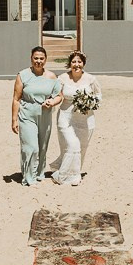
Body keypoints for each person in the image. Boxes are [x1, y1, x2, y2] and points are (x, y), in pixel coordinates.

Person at [11, 46, 61, 186]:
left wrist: (52, 102)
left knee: (42, 146)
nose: (38, 61)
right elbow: (16, 98)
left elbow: (59, 96)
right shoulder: (23, 75)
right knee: (31, 147)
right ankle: (29, 177)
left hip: (45, 115)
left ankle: (39, 173)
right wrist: (14, 119)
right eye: (35, 58)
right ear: (31, 58)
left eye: (41, 58)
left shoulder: (52, 76)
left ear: (45, 60)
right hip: (27, 114)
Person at [51, 51, 102, 186]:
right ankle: (65, 176)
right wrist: (51, 102)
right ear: (70, 64)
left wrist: (90, 103)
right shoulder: (62, 78)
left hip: (86, 118)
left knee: (82, 147)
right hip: (66, 117)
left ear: (83, 63)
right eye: (74, 62)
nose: (76, 64)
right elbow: (57, 95)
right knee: (72, 145)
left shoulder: (91, 79)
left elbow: (98, 96)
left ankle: (75, 173)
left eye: (79, 62)